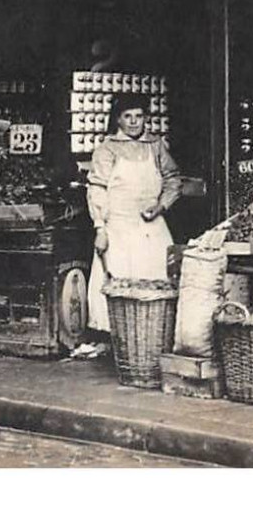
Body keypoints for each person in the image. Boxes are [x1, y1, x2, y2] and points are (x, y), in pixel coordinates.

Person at [80, 92, 182, 356]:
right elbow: (97, 189)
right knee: (119, 282)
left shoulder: (156, 145)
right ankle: (115, 341)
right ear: (118, 119)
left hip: (152, 226)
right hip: (119, 226)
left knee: (157, 280)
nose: (134, 122)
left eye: (139, 116)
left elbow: (173, 180)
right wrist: (100, 227)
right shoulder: (107, 149)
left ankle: (152, 339)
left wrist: (161, 206)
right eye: (128, 117)